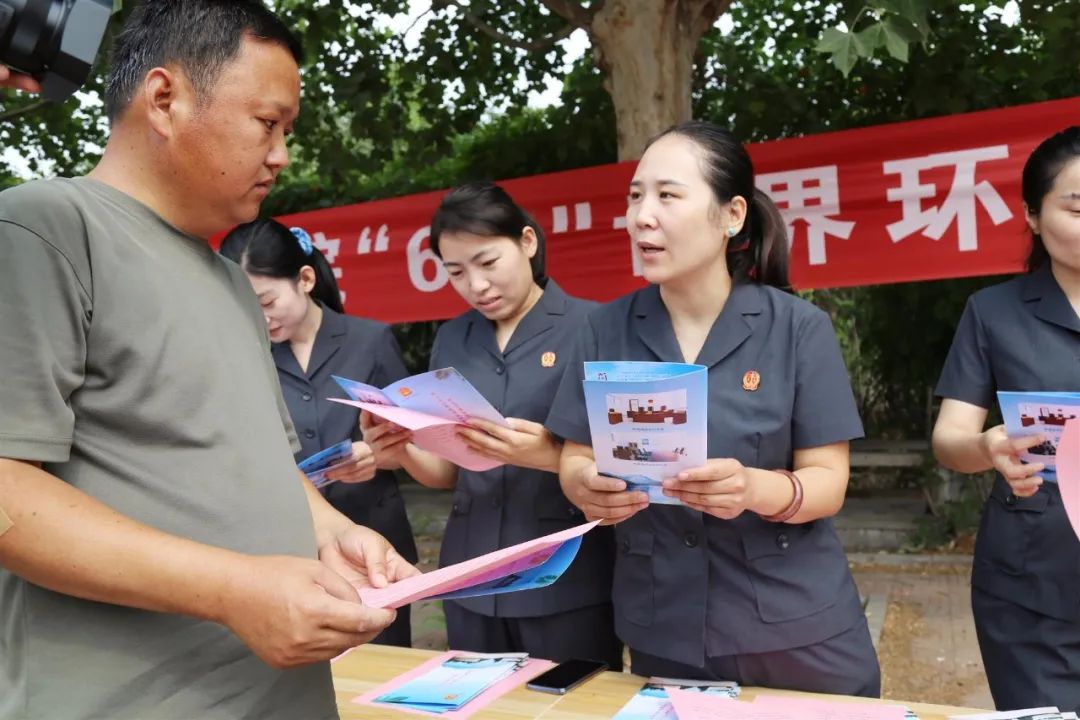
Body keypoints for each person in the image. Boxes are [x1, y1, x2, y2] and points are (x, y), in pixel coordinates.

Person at [0, 3, 417, 719]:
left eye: (288, 131)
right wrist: (233, 589)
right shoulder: (44, 230)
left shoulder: (230, 280)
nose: (282, 153)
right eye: (268, 123)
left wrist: (335, 533)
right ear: (165, 99)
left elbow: (261, 465)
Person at [544, 121, 880, 695]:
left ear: (732, 216)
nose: (642, 216)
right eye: (635, 196)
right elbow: (575, 457)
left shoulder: (797, 328)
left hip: (794, 628)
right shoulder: (603, 329)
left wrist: (751, 488)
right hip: (664, 626)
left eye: (668, 195)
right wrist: (585, 485)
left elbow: (829, 482)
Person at [363, 182, 623, 669]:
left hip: (565, 574)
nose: (476, 285)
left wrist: (543, 453)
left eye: (487, 263)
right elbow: (446, 472)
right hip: (473, 573)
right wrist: (401, 450)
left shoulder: (594, 327)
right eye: (456, 272)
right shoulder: (452, 338)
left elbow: (623, 460)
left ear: (527, 243)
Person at [932, 127, 1080, 713]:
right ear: (1034, 216)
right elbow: (950, 439)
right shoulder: (993, 312)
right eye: (1077, 206)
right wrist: (988, 445)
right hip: (1030, 584)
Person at [220, 218, 420, 647]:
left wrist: (378, 455)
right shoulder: (246, 356)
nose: (261, 318)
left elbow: (415, 445)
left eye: (267, 301)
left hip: (372, 540)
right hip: (289, 546)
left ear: (305, 279)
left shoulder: (370, 340)